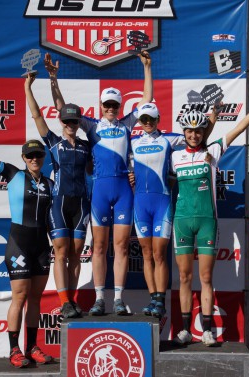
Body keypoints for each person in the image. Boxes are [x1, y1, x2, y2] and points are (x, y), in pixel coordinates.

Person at [44, 50, 153, 315]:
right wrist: (53, 80)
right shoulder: (92, 126)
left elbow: (147, 99)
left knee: (122, 246)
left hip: (123, 190)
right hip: (101, 190)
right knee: (100, 247)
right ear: (101, 104)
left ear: (120, 106)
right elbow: (62, 109)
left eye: (115, 105)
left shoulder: (128, 123)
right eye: (107, 104)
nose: (111, 108)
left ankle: (118, 298)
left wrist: (147, 67)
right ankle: (99, 299)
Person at [171, 85, 249, 346]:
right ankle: (183, 329)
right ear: (185, 133)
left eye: (198, 131)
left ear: (204, 132)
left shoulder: (212, 152)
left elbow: (238, 129)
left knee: (205, 278)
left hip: (207, 222)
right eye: (190, 131)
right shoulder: (175, 156)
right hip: (181, 222)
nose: (194, 135)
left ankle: (206, 330)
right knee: (183, 278)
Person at [0, 100, 54, 368]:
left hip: (42, 245)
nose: (34, 159)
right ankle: (14, 349)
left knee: (35, 299)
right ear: (23, 158)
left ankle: (32, 346)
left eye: (38, 155)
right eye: (29, 156)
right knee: (19, 297)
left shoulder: (50, 182)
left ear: (43, 158)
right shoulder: (13, 174)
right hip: (19, 242)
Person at [131, 102, 218, 319]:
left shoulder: (169, 139)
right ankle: (153, 298)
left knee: (160, 253)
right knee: (146, 254)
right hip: (140, 202)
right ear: (139, 122)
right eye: (143, 119)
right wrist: (130, 175)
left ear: (159, 118)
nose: (148, 123)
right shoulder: (132, 141)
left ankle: (160, 300)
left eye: (152, 118)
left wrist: (214, 117)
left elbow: (199, 135)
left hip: (162, 202)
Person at [24, 74, 92, 319]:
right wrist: (29, 87)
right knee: (61, 252)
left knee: (76, 253)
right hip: (59, 203)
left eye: (74, 121)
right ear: (61, 121)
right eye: (66, 121)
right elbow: (38, 116)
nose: (70, 124)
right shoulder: (53, 142)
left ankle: (72, 301)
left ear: (78, 122)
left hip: (82, 204)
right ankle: (64, 302)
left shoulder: (87, 145)